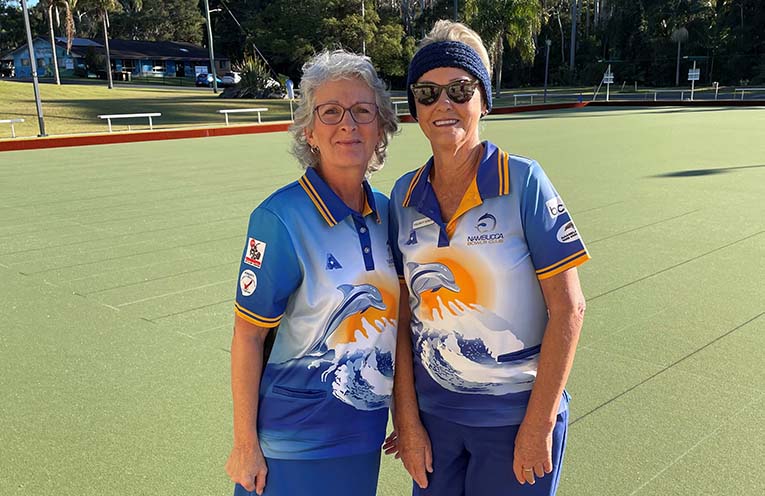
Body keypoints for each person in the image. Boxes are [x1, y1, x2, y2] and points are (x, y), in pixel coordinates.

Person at [386, 20, 589, 496]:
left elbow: (569, 308)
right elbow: (401, 318)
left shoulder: (524, 181)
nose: (444, 104)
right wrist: (408, 424)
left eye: (459, 89)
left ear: (483, 98)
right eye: (427, 93)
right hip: (435, 425)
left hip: (516, 423)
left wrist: (538, 425)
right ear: (415, 106)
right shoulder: (403, 195)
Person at [225, 49, 400, 496]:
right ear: (309, 131)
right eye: (331, 111)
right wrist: (245, 444)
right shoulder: (279, 218)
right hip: (290, 445)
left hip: (363, 437)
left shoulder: (389, 214)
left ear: (380, 127)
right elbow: (248, 336)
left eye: (363, 111)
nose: (348, 124)